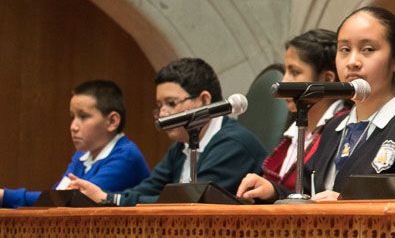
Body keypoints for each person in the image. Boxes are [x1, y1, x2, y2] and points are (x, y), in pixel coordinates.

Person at [237, 7, 395, 202]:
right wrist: (273, 191)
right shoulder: (335, 127)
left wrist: (345, 201)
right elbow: (309, 194)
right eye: (345, 50)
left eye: (368, 49)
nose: (352, 62)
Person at [68, 58, 267, 205]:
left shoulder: (232, 144)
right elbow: (149, 189)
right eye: (159, 105)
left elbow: (190, 201)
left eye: (171, 103)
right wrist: (106, 197)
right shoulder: (180, 146)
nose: (163, 113)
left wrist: (109, 198)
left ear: (204, 100)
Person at [1, 80, 150, 208]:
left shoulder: (126, 156)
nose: (73, 126)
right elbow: (57, 196)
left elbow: (72, 200)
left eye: (83, 116)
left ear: (112, 121)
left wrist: (5, 196)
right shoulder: (82, 155)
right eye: (73, 117)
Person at [261, 29, 346, 193]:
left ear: (327, 79)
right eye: (285, 72)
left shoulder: (342, 129)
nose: (284, 81)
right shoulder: (295, 129)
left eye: (295, 72)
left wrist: (273, 192)